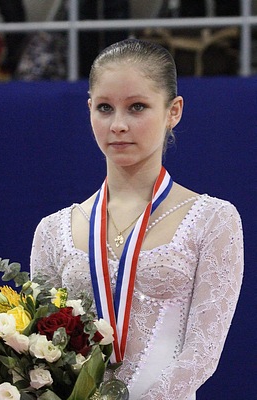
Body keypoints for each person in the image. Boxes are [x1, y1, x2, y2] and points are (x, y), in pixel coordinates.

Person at [30, 39, 244, 400]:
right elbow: (38, 350)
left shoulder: (214, 220)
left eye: (137, 107)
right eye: (104, 108)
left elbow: (202, 353)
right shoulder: (53, 230)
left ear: (173, 110)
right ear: (89, 110)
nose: (118, 125)